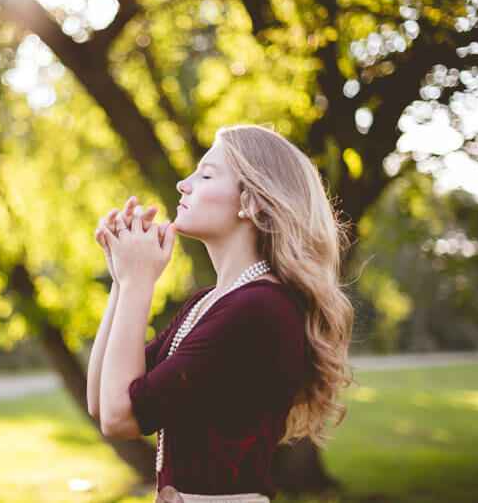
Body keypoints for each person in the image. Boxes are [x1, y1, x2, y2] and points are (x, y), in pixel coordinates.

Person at [86, 124, 358, 502]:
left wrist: (139, 283)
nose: (184, 183)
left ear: (252, 203)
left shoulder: (258, 309)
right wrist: (122, 278)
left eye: (206, 174)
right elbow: (102, 401)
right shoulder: (210, 302)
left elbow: (121, 419)